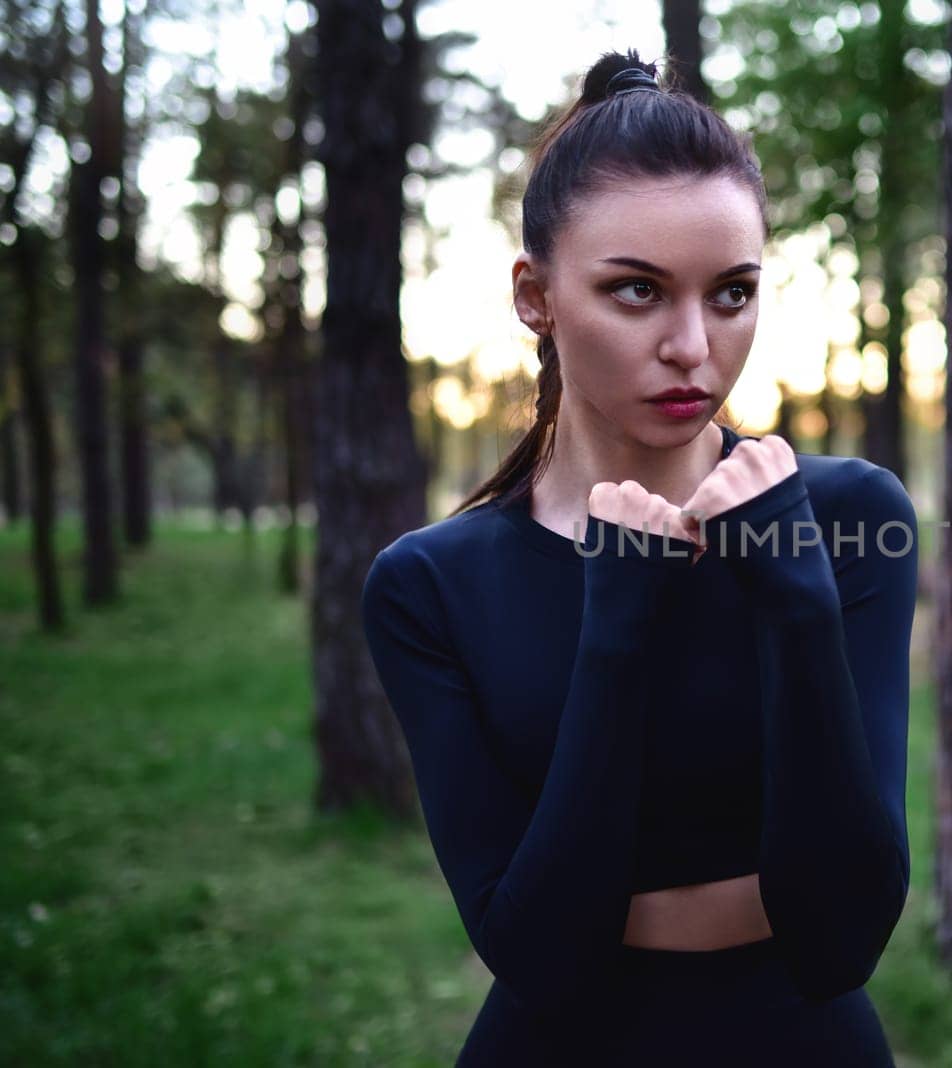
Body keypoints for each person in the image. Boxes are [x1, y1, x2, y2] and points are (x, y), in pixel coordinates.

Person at [359, 48, 919, 1067]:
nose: (694, 348)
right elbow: (538, 953)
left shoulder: (846, 519)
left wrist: (794, 596)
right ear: (536, 295)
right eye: (635, 292)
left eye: (732, 293)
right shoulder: (430, 586)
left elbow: (844, 936)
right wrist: (618, 618)